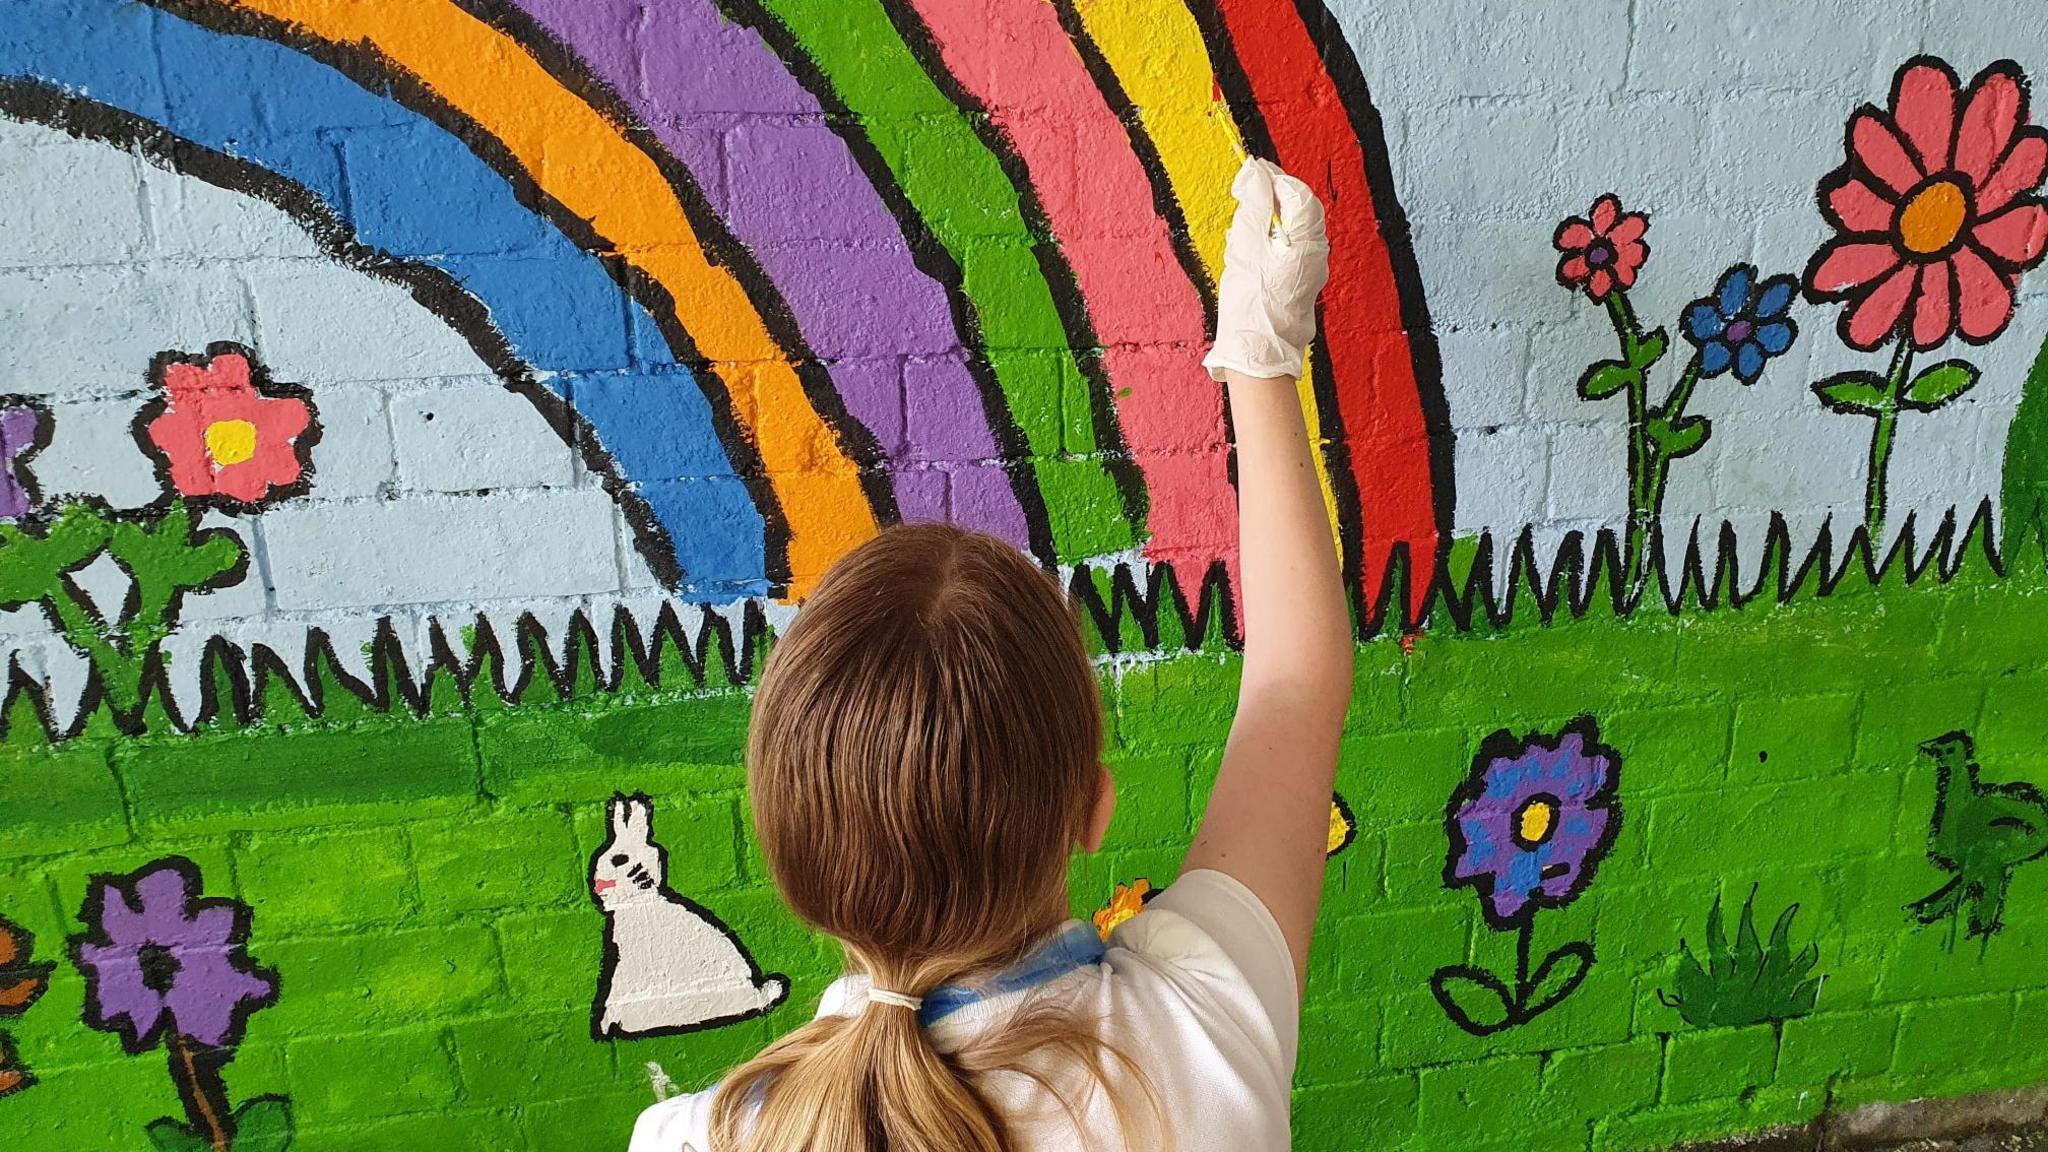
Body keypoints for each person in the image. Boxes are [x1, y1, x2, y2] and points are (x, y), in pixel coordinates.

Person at [627, 156, 1350, 1152]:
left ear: (795, 855)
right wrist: (1260, 361)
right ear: (1092, 809)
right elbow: (1295, 680)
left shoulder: (693, 1137)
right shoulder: (1199, 1026)